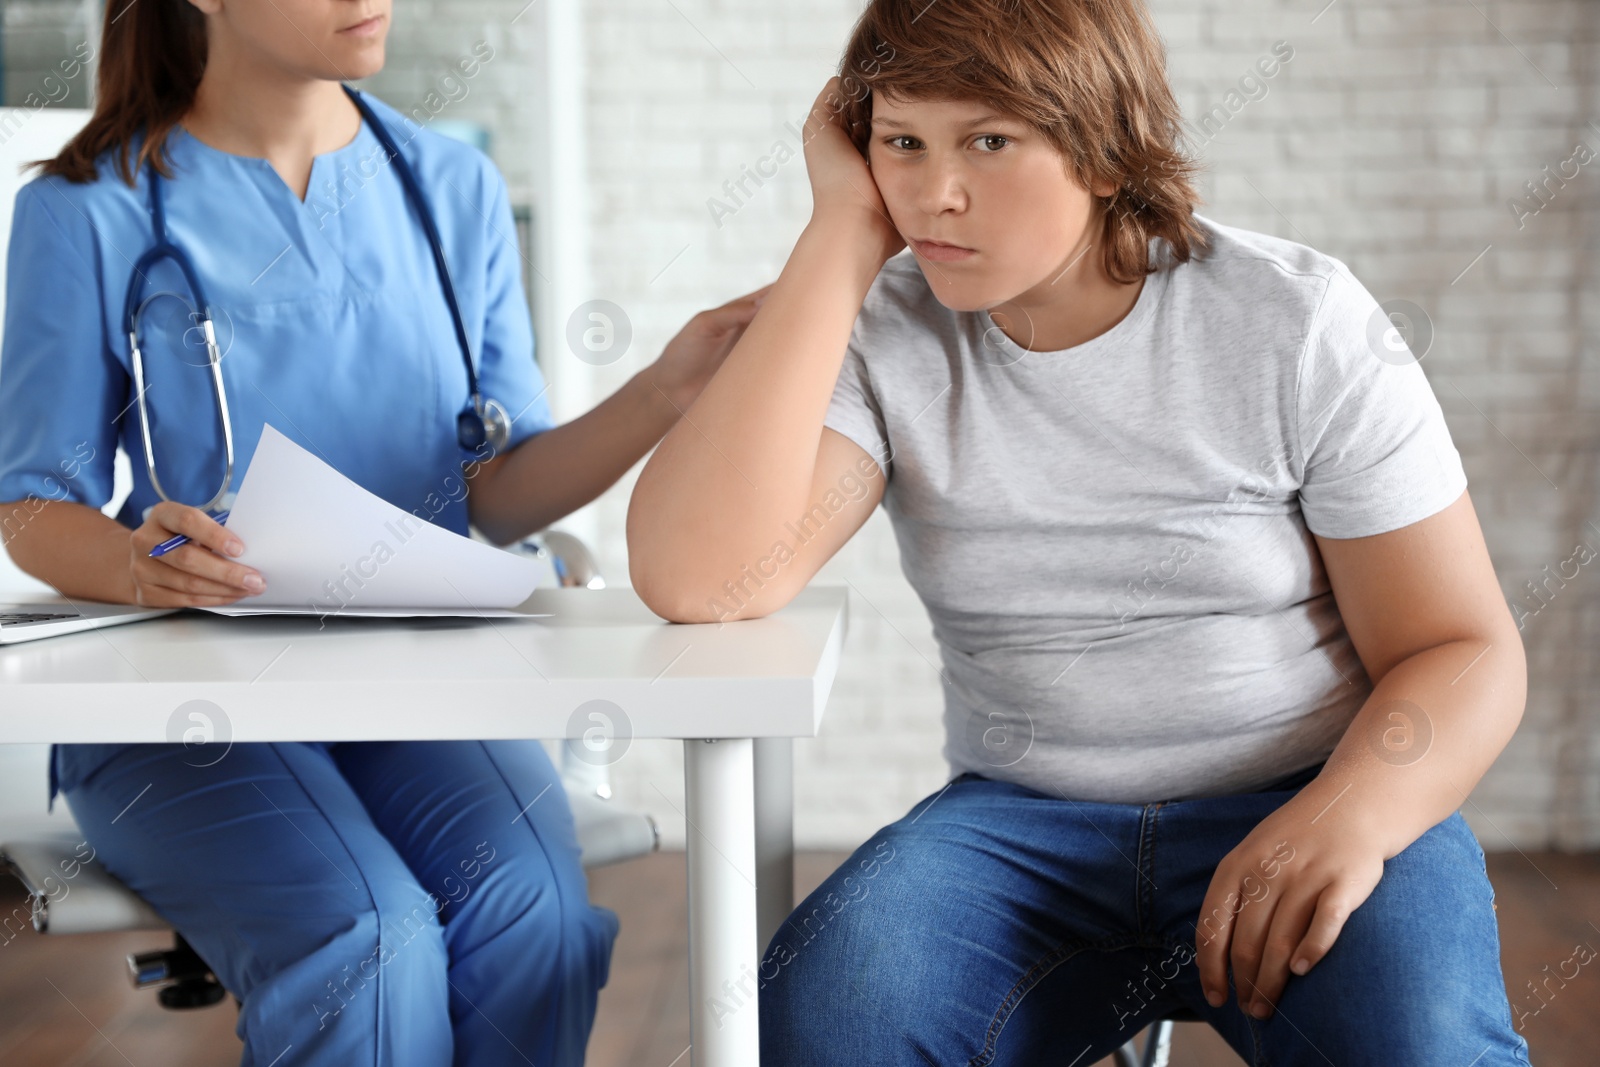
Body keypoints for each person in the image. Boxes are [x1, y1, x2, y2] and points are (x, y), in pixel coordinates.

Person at [625, 0, 1534, 1064]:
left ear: (1105, 153)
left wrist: (1349, 813)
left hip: (1310, 787)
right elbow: (701, 578)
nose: (933, 191)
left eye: (988, 142)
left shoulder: (1296, 321)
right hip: (1021, 826)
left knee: (1420, 1046)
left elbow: (1461, 647)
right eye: (900, 144)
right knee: (830, 1018)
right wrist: (837, 237)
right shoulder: (885, 332)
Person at [0, 0, 765, 1064]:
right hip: (184, 704)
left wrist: (660, 394)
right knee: (368, 933)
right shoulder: (87, 208)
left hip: (414, 688)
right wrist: (138, 559)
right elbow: (33, 504)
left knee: (533, 909)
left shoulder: (452, 190)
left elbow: (493, 489)